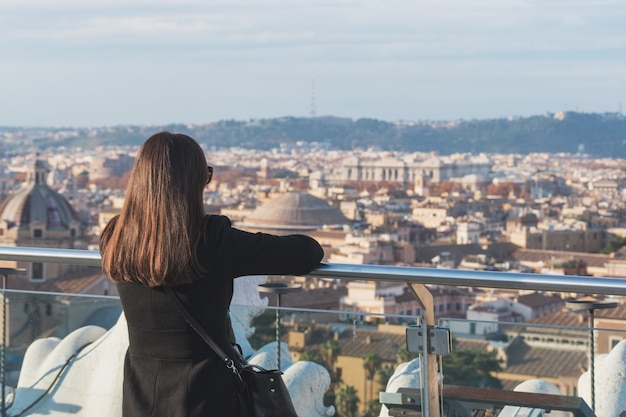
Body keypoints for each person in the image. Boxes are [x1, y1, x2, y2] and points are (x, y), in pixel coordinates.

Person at [100, 131, 324, 417]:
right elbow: (308, 253)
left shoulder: (116, 237)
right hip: (207, 395)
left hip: (141, 393)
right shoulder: (212, 240)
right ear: (195, 182)